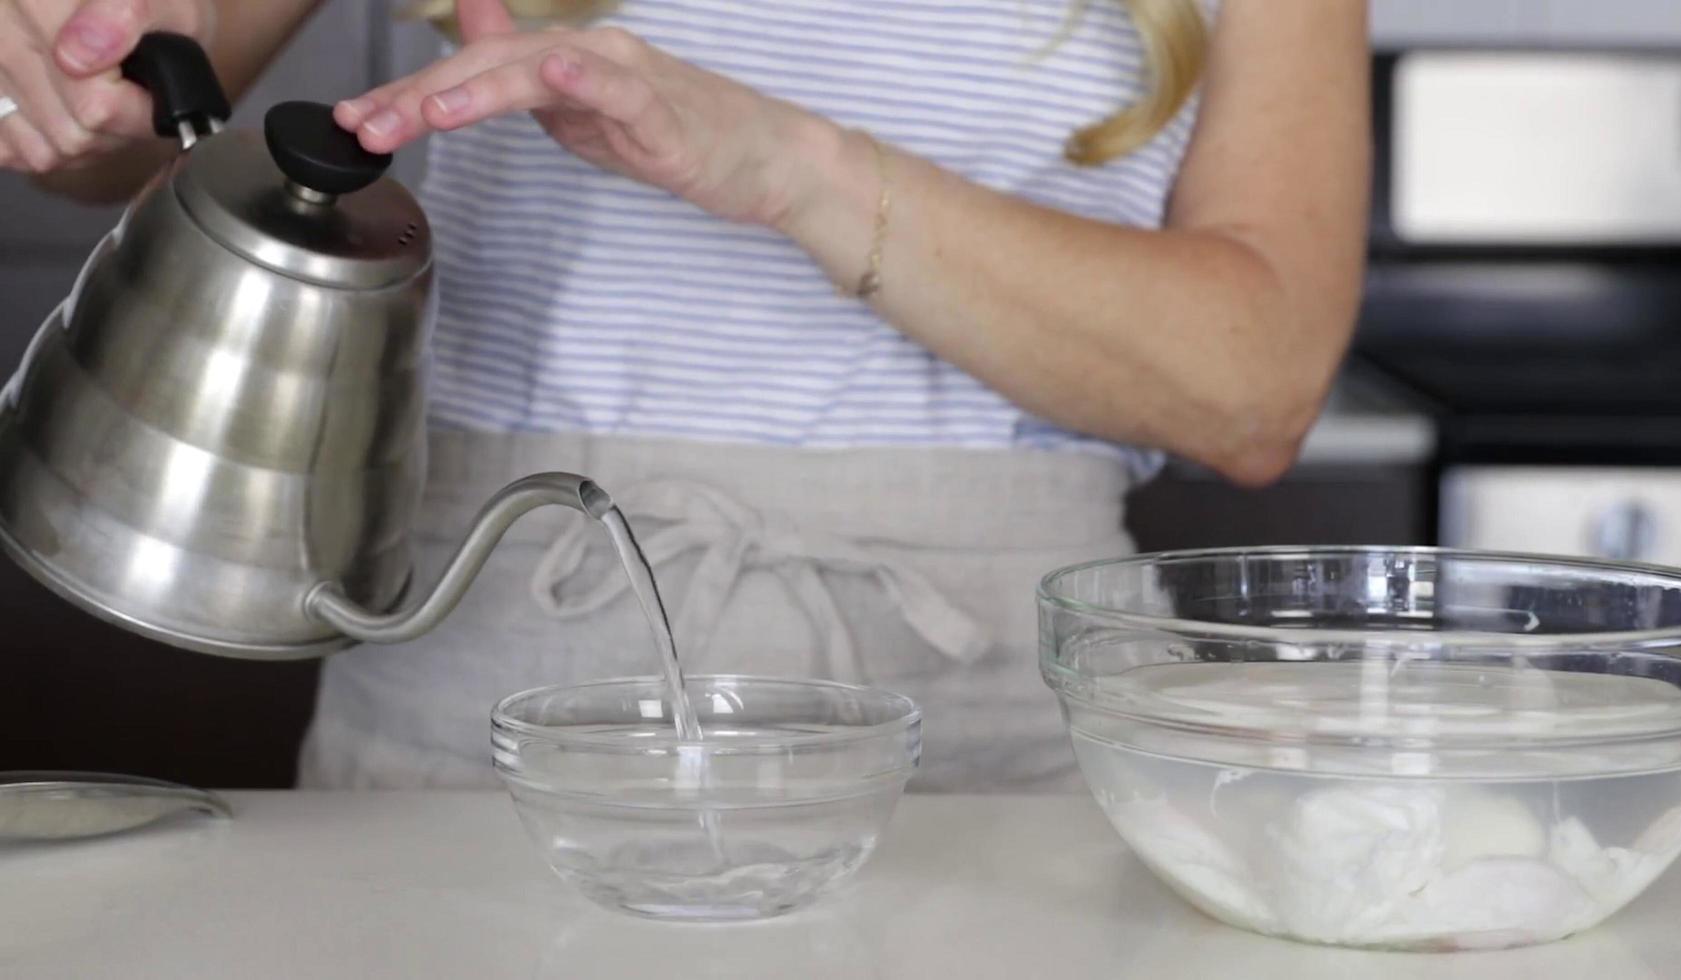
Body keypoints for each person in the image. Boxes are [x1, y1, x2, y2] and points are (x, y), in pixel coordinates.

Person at [1, 0, 1369, 790]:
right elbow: (115, 110)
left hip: (1008, 711)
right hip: (487, 675)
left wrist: (786, 167)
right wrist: (65, 63)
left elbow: (1252, 390)